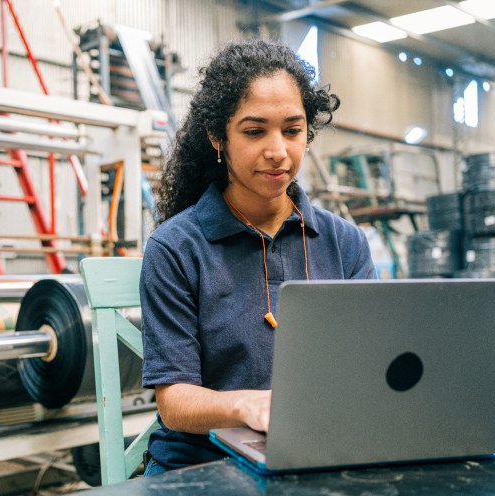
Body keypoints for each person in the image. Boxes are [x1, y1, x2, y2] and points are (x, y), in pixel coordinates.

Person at [139, 39, 377, 476]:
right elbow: (174, 403)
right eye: (254, 131)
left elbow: (371, 365)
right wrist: (250, 404)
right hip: (200, 468)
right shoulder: (176, 248)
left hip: (315, 455)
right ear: (217, 137)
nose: (278, 151)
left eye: (292, 130)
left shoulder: (345, 244)